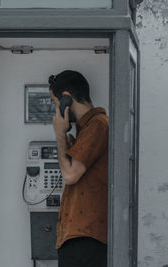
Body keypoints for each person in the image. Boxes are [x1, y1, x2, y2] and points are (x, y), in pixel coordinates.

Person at [49, 70, 109, 267]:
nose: (56, 110)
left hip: (86, 238)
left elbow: (69, 175)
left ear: (66, 99)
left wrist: (59, 134)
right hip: (79, 236)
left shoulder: (97, 125)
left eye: (56, 103)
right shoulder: (86, 129)